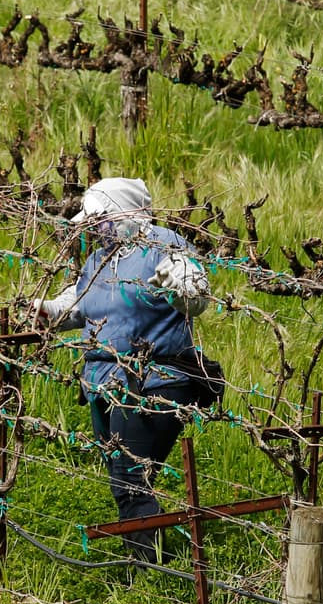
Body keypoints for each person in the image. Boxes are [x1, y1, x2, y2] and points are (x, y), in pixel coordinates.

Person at [35, 177, 214, 565]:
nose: (95, 228)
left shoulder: (162, 245)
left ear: (123, 212)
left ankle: (149, 571)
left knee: (130, 479)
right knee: (125, 476)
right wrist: (48, 311)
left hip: (154, 383)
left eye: (101, 219)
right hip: (103, 385)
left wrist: (182, 286)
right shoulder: (99, 259)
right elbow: (81, 304)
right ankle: (154, 556)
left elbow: (196, 292)